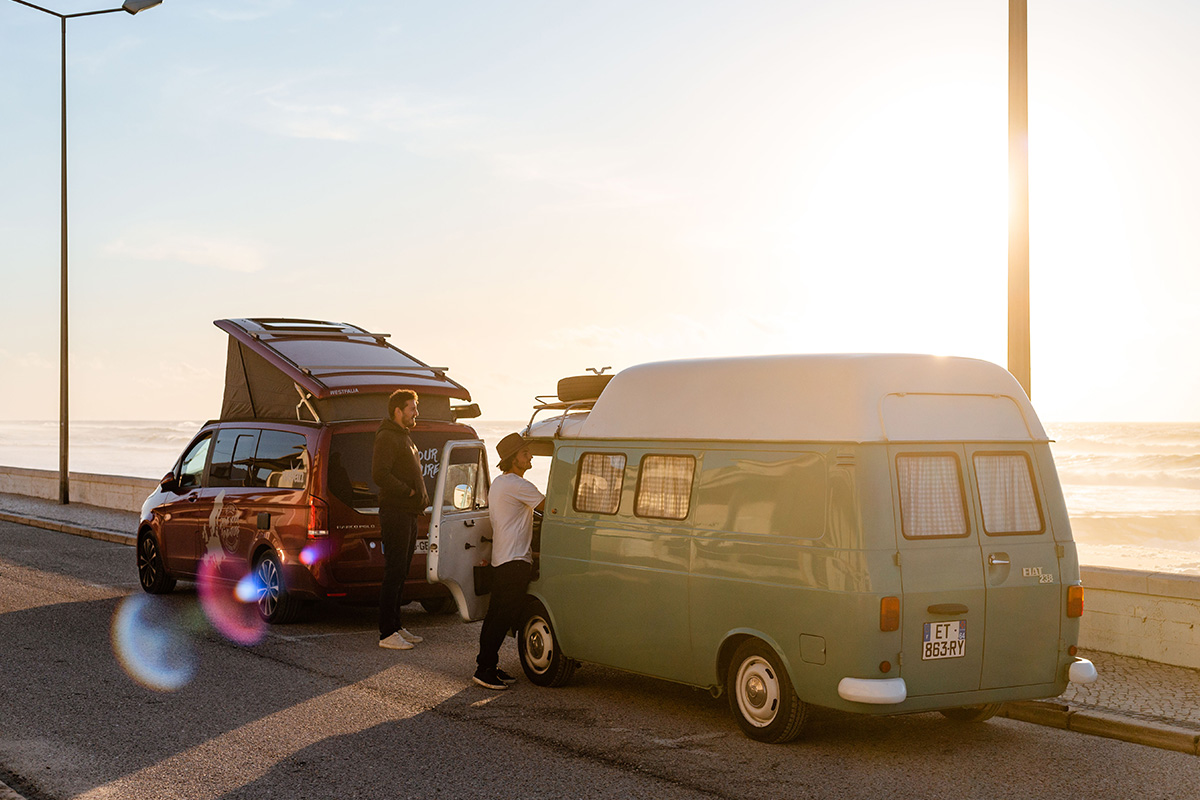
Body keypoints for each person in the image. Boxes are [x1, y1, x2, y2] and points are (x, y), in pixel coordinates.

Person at [473, 432, 544, 690]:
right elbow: (551, 507)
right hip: (515, 562)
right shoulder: (519, 485)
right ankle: (484, 669)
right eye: (526, 453)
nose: (531, 456)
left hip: (501, 560)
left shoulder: (501, 484)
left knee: (495, 617)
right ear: (514, 459)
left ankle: (487, 664)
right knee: (502, 618)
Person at [372, 389, 429, 650]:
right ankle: (387, 633)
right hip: (395, 511)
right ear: (398, 410)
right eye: (412, 408)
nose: (416, 412)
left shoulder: (403, 436)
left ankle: (396, 626)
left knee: (402, 570)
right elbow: (379, 474)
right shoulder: (387, 437)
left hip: (408, 512)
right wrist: (407, 491)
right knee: (394, 570)